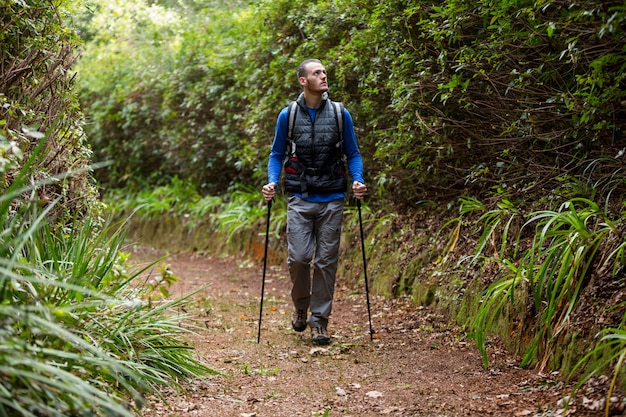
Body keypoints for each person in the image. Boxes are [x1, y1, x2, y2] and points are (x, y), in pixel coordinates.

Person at [262, 59, 367, 345]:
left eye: (324, 72)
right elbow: (276, 154)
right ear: (303, 81)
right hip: (299, 196)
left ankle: (319, 321)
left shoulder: (340, 113)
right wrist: (272, 181)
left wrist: (357, 180)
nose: (323, 76)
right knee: (298, 259)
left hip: (333, 197)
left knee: (325, 262)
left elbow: (353, 153)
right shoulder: (289, 115)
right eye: (316, 73)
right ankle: (300, 305)